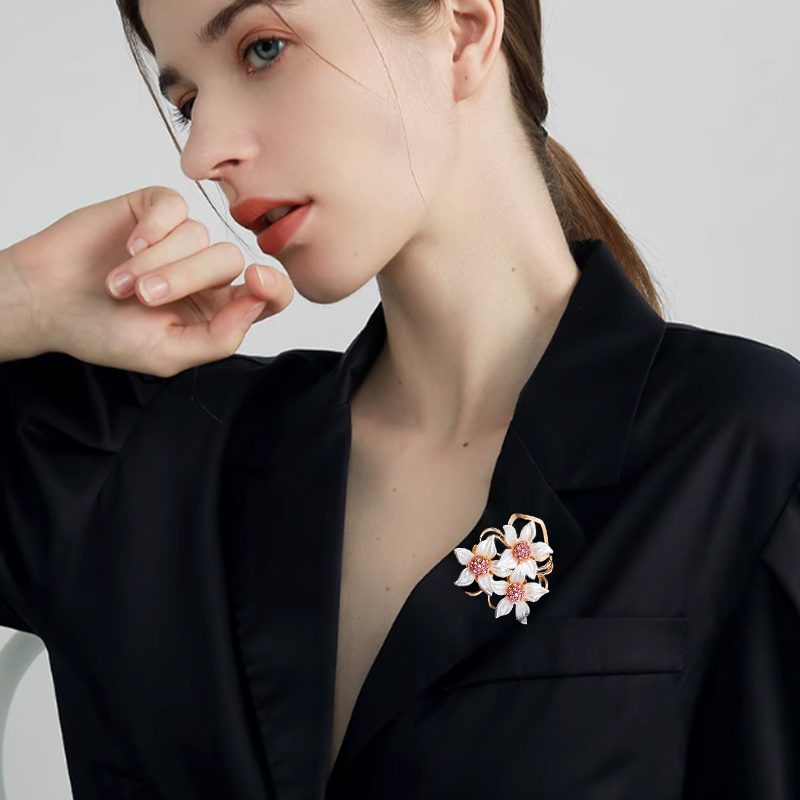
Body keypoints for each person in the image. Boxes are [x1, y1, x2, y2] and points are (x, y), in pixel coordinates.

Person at [1, 0, 799, 798]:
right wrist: (20, 298)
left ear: (464, 30)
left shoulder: (745, 452)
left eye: (263, 49)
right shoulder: (137, 455)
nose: (202, 153)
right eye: (187, 103)